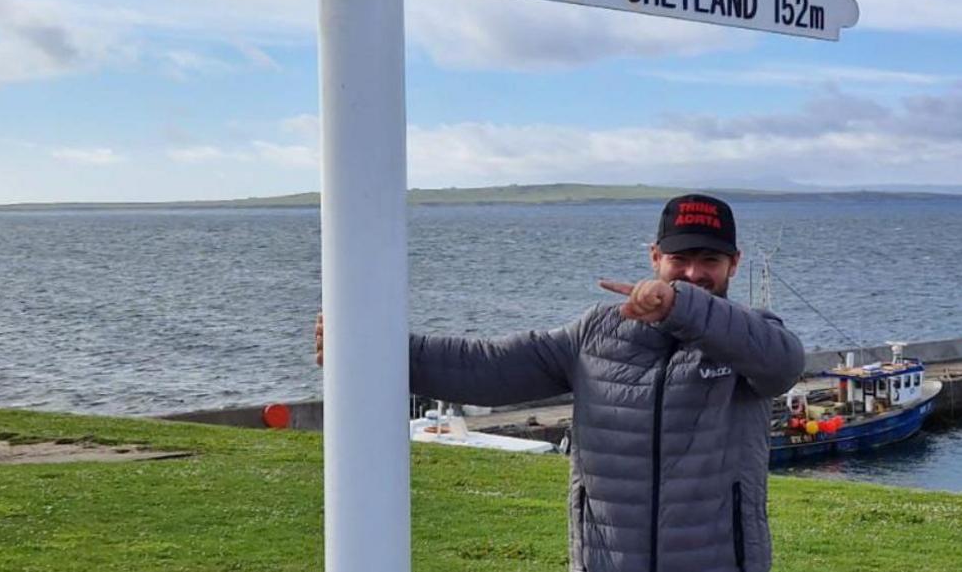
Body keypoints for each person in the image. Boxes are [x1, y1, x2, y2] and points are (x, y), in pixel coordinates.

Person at [317, 193, 804, 572]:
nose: (693, 273)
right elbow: (488, 368)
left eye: (710, 261)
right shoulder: (596, 333)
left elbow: (783, 365)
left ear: (734, 265)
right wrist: (369, 349)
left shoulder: (751, 338)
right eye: (679, 260)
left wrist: (681, 305)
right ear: (655, 257)